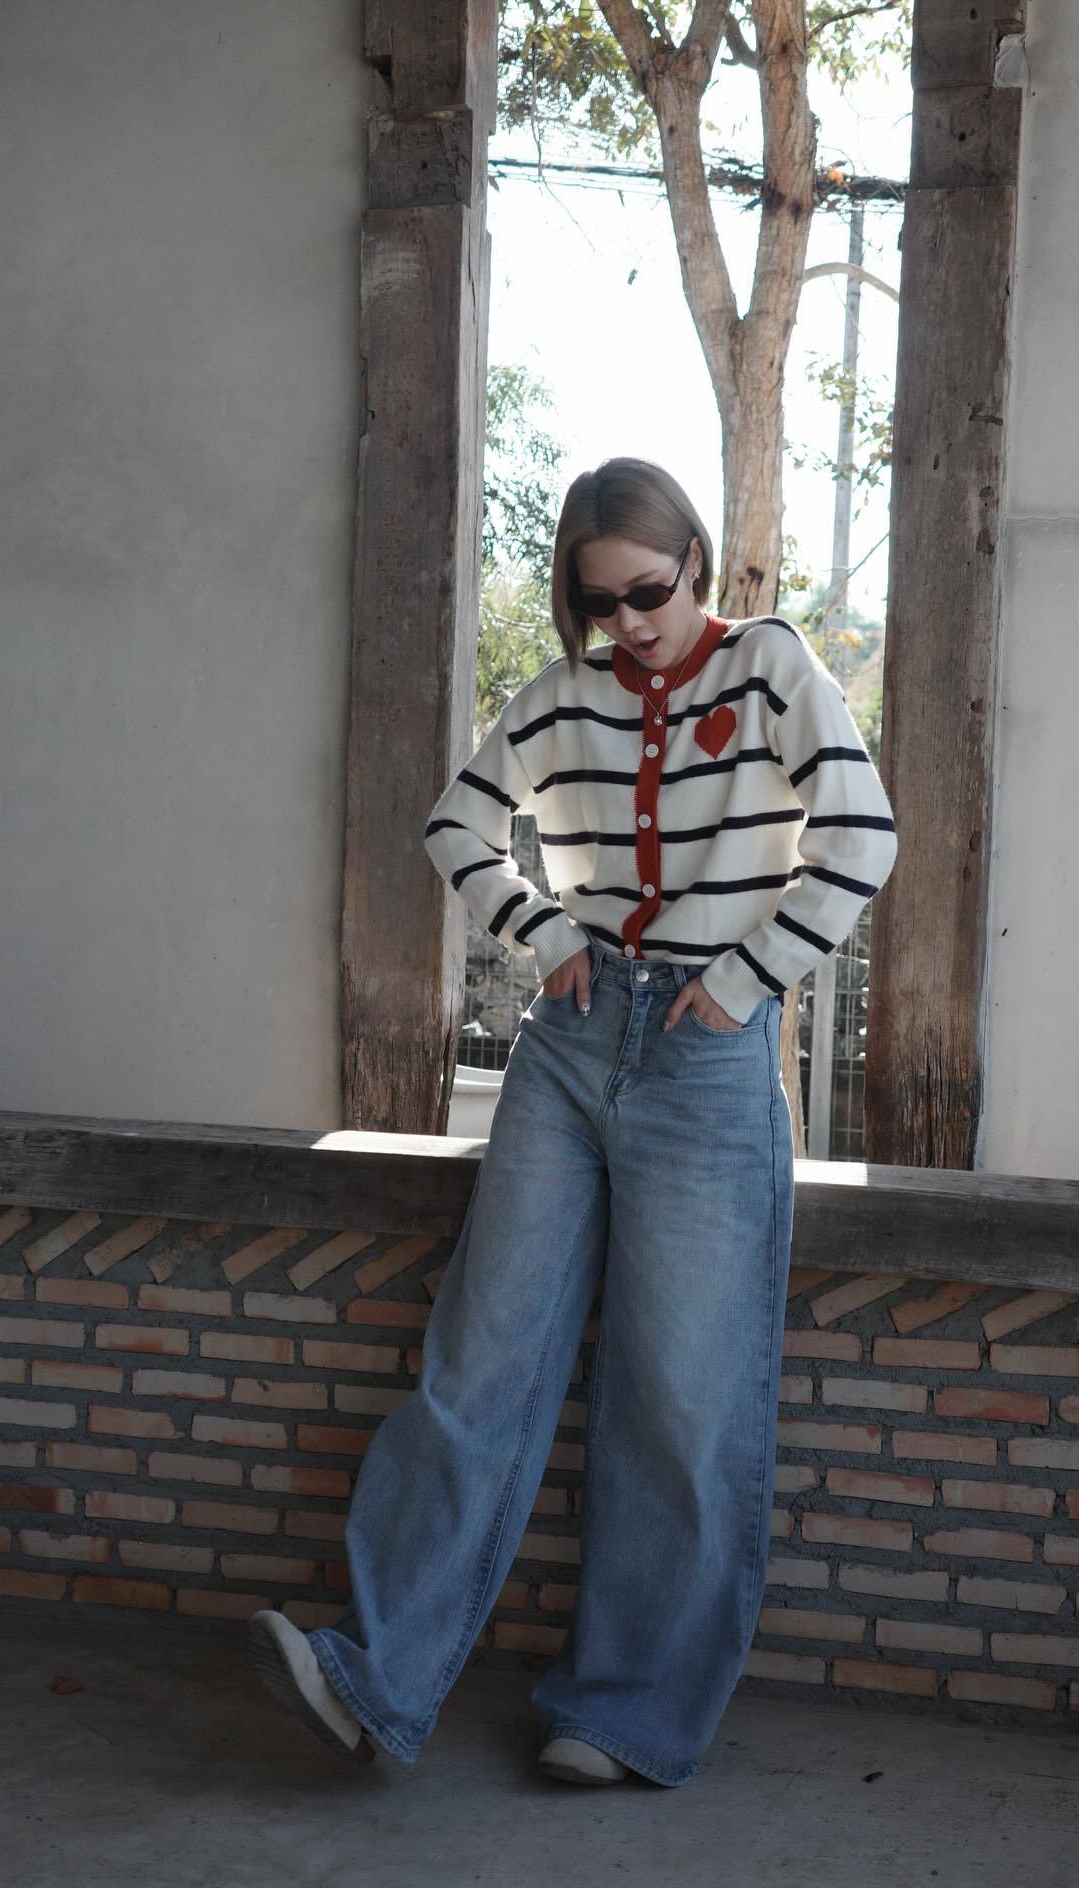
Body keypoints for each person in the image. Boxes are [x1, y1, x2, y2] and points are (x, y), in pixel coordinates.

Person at [248, 455, 898, 1788]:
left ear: (696, 562)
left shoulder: (770, 668)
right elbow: (457, 826)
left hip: (708, 1059)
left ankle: (621, 1714)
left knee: (681, 1396)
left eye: (649, 593)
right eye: (602, 604)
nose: (630, 624)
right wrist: (543, 934)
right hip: (570, 1042)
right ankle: (375, 1680)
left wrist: (744, 981)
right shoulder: (558, 699)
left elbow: (861, 838)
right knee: (476, 1365)